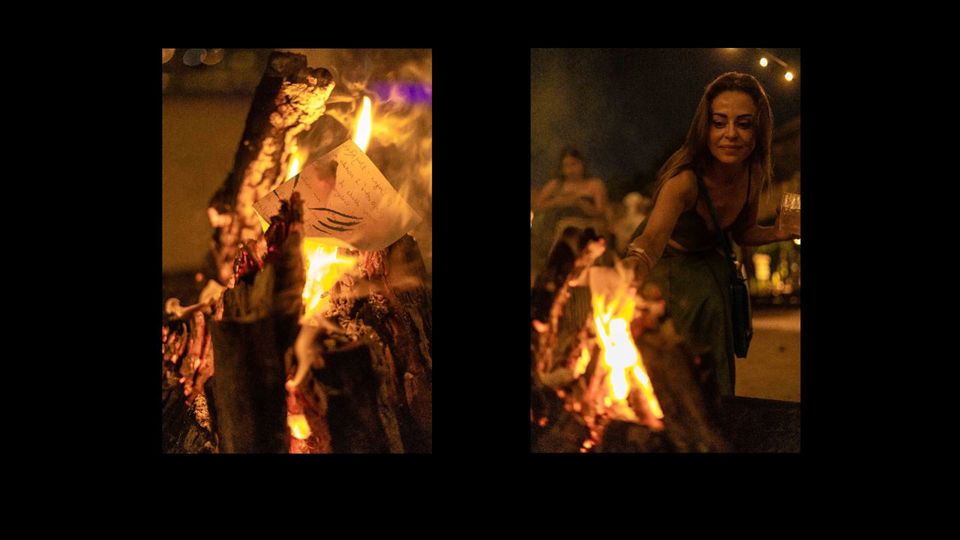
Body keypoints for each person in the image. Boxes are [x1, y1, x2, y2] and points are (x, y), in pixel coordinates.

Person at [622, 72, 799, 400]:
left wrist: (778, 232)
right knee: (684, 329)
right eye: (720, 123)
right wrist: (631, 270)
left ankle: (717, 414)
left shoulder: (754, 172)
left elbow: (743, 232)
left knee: (716, 317)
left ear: (758, 129)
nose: (731, 134)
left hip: (710, 257)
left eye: (743, 124)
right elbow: (653, 239)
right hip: (666, 258)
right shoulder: (684, 181)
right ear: (706, 127)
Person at [531, 147, 609, 278]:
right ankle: (555, 272)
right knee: (564, 227)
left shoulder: (594, 184)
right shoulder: (556, 185)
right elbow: (537, 206)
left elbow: (600, 212)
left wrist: (580, 203)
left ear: (582, 164)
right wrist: (559, 201)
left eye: (574, 164)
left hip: (588, 227)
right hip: (557, 228)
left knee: (568, 227)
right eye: (566, 165)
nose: (570, 169)